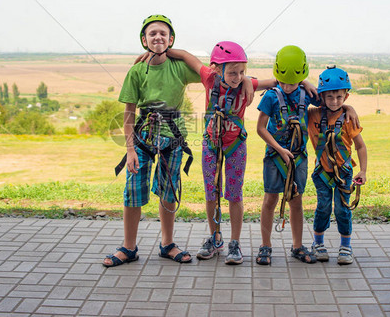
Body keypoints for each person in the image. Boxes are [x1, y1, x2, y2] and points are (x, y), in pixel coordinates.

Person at [167, 42, 278, 265]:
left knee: (234, 194)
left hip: (236, 145)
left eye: (242, 72)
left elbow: (279, 81)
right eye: (233, 72)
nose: (238, 77)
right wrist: (157, 51)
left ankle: (234, 243)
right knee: (211, 192)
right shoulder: (210, 77)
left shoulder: (246, 83)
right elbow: (187, 55)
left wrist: (302, 79)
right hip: (211, 144)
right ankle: (215, 237)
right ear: (217, 69)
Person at [103, 14, 200, 267]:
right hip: (143, 137)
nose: (158, 37)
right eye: (152, 33)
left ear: (171, 39)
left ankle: (167, 244)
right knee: (133, 190)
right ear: (144, 40)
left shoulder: (180, 67)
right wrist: (130, 150)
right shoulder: (137, 71)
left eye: (163, 33)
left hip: (173, 137)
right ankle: (129, 247)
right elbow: (128, 114)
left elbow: (211, 73)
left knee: (169, 190)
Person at [255, 45, 358, 266]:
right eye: (284, 82)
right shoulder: (271, 97)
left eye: (293, 82)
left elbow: (333, 104)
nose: (288, 87)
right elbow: (260, 128)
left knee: (296, 200)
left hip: (298, 157)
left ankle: (297, 245)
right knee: (270, 199)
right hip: (275, 156)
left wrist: (349, 108)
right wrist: (279, 149)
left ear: (301, 78)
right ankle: (265, 246)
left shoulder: (305, 94)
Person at [308, 65, 367, 265]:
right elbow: (300, 96)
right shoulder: (313, 115)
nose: (335, 102)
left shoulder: (349, 118)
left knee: (343, 209)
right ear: (322, 97)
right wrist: (316, 95)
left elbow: (360, 146)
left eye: (339, 98)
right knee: (323, 207)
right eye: (329, 97)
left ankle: (345, 246)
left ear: (346, 97)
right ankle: (318, 243)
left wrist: (363, 170)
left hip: (344, 172)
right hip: (322, 172)